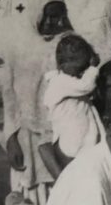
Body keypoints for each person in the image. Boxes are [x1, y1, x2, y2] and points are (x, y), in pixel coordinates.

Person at [2, 0, 74, 205]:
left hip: (63, 133)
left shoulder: (70, 44)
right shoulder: (18, 46)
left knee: (66, 189)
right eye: (50, 16)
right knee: (32, 198)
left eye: (61, 15)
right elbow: (9, 93)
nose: (56, 22)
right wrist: (11, 138)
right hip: (28, 138)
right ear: (37, 14)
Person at [41, 34, 101, 177]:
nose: (83, 72)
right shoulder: (60, 82)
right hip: (71, 140)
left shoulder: (68, 81)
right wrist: (93, 68)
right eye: (80, 67)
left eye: (85, 67)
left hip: (79, 137)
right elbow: (87, 86)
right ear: (63, 64)